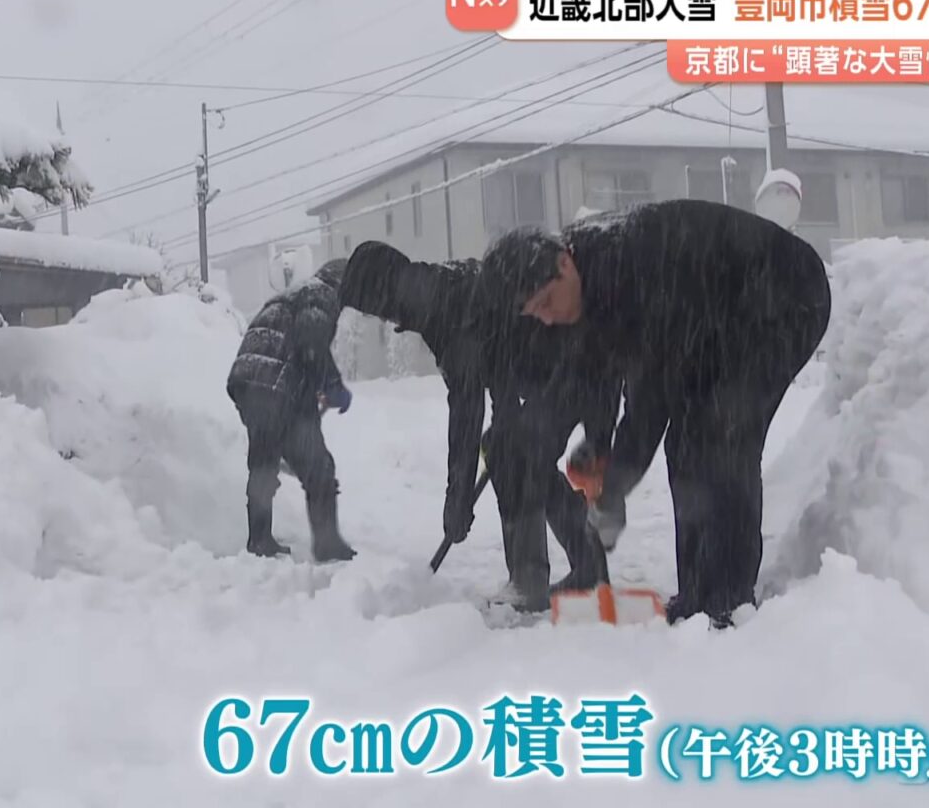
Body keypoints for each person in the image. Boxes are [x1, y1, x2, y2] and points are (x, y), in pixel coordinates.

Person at [482, 199, 831, 628]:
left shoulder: (630, 271)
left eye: (547, 302)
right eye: (536, 313)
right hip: (715, 318)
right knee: (686, 444)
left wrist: (614, 487)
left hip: (785, 297)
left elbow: (650, 397)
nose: (547, 318)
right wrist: (597, 453)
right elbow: (596, 377)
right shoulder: (588, 288)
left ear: (564, 263)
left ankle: (728, 602)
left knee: (722, 433)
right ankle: (698, 593)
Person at [337, 241, 614, 610]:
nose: (383, 318)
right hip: (561, 364)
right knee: (512, 449)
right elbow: (500, 363)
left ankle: (531, 578)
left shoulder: (444, 308)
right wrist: (502, 425)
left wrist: (458, 497)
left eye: (375, 307)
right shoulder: (442, 291)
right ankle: (576, 564)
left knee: (513, 452)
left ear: (384, 291)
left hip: (575, 362)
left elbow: (467, 407)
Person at [226, 259, 357, 563]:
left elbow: (292, 345)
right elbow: (311, 341)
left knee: (263, 464)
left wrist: (313, 386)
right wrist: (332, 385)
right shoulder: (322, 294)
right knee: (319, 468)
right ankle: (327, 544)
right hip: (278, 388)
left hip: (248, 383)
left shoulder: (292, 295)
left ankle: (259, 539)